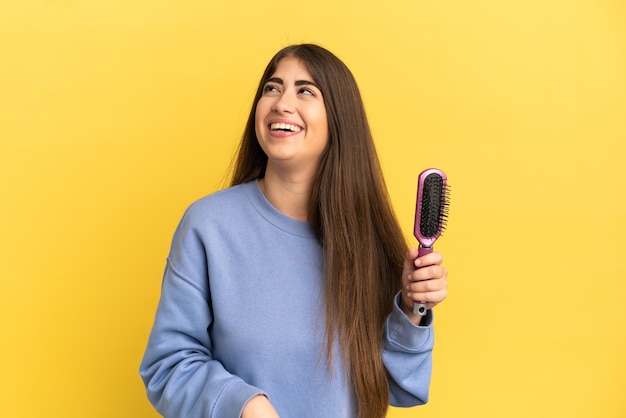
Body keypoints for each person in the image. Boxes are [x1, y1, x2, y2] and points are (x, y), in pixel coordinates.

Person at [140, 43, 448, 418]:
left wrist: (412, 312)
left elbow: (401, 387)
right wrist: (245, 406)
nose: (282, 103)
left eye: (305, 91)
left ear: (339, 118)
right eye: (272, 87)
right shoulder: (209, 226)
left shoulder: (368, 242)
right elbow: (167, 365)